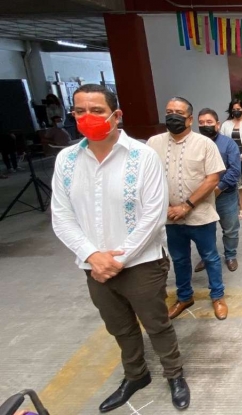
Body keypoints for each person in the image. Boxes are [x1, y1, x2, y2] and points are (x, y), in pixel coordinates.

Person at [51, 84, 190, 412]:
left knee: (157, 324)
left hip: (142, 264)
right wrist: (92, 256)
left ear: (116, 115)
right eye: (80, 111)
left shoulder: (142, 157)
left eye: (97, 111)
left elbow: (153, 215)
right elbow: (61, 215)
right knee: (120, 327)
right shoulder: (67, 160)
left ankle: (174, 374)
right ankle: (136, 375)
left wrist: (120, 257)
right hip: (94, 268)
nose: (88, 117)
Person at [147, 97, 228, 321]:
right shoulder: (153, 144)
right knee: (180, 259)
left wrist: (186, 206)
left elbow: (212, 179)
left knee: (210, 257)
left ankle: (218, 296)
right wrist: (162, 208)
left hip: (200, 215)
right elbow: (147, 179)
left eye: (179, 113)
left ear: (190, 119)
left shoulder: (204, 144)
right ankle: (184, 297)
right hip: (170, 217)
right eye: (169, 111)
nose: (173, 116)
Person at [194, 108, 242, 273]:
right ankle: (207, 257)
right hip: (200, 196)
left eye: (209, 122)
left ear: (218, 124)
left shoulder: (229, 144)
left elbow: (235, 171)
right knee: (205, 229)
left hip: (225, 195)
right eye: (201, 123)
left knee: (230, 228)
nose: (205, 125)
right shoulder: (194, 144)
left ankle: (230, 255)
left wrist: (218, 188)